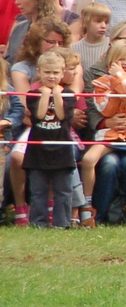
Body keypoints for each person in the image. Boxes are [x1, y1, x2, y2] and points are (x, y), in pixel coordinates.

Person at [78, 37, 126, 225]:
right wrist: (116, 82)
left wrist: (121, 79)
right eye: (121, 60)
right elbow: (106, 109)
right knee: (88, 160)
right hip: (110, 133)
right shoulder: (101, 82)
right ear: (112, 61)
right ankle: (88, 208)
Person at [20, 49, 80, 227]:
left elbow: (62, 116)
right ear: (39, 72)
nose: (51, 76)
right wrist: (45, 94)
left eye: (55, 73)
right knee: (38, 190)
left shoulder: (68, 94)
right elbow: (38, 116)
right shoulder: (32, 94)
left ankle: (62, 223)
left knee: (63, 190)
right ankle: (38, 223)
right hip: (38, 150)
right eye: (47, 72)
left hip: (62, 149)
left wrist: (56, 95)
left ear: (62, 73)